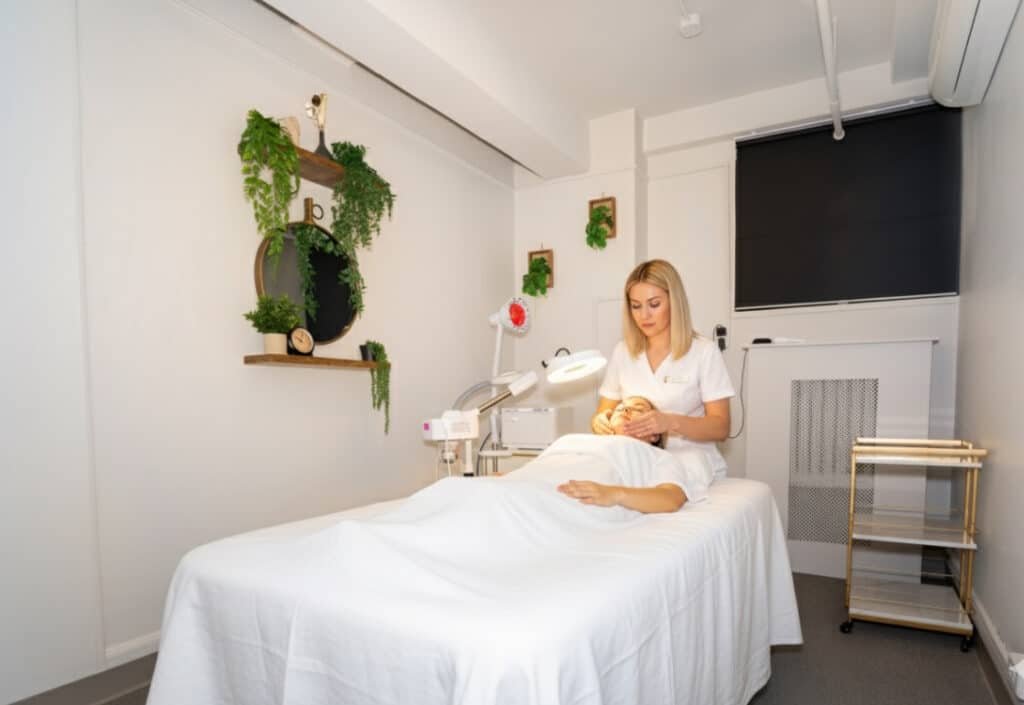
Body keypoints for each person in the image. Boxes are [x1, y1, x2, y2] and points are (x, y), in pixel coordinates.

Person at [593, 259, 735, 475]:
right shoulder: (623, 351)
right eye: (636, 306)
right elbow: (605, 410)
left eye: (654, 304)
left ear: (674, 302)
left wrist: (670, 422)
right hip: (635, 461)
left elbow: (721, 427)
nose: (644, 316)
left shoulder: (703, 352)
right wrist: (600, 422)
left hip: (690, 462)